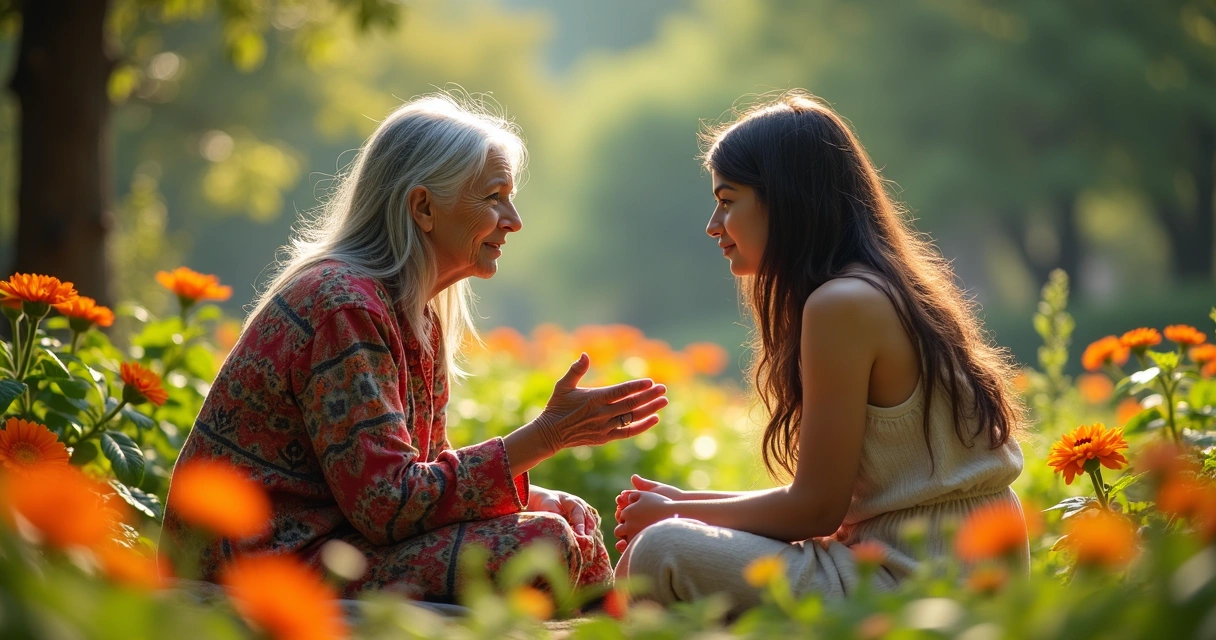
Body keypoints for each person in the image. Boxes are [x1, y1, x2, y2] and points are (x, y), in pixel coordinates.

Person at [161, 94, 668, 602]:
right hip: (262, 570)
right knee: (545, 544)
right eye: (494, 197)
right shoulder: (342, 305)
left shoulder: (409, 310)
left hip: (335, 546)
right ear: (423, 207)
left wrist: (533, 492)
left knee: (563, 522)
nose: (513, 219)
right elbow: (388, 505)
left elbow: (416, 477)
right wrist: (545, 436)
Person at [613, 91, 1027, 612]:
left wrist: (675, 518)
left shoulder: (842, 304)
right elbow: (822, 504)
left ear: (786, 199)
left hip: (922, 580)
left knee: (661, 552)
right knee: (663, 543)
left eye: (727, 199)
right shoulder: (878, 288)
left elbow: (814, 510)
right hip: (930, 563)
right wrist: (681, 505)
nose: (713, 225)